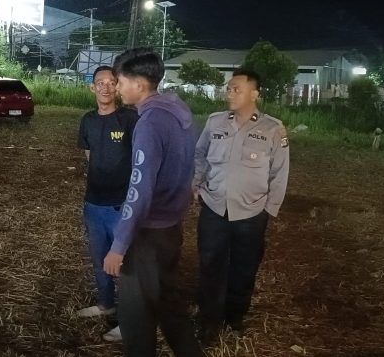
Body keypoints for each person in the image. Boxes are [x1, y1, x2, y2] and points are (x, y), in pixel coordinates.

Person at [102, 48, 203, 356]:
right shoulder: (178, 112)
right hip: (171, 227)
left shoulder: (149, 122)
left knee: (135, 316)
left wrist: (119, 245)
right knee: (168, 303)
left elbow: (140, 188)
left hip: (148, 234)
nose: (117, 89)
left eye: (120, 82)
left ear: (139, 84)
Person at [192, 68, 290, 345]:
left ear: (254, 94)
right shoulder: (215, 122)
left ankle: (234, 317)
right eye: (228, 88)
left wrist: (269, 209)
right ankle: (210, 320)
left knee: (244, 268)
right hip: (214, 207)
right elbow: (200, 154)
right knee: (210, 264)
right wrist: (196, 183)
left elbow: (280, 172)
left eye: (237, 89)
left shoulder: (272, 128)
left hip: (251, 212)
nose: (230, 93)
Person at [76, 65, 139, 342]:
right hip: (93, 204)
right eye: (99, 82)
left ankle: (128, 321)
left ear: (118, 87)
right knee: (100, 260)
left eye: (111, 82)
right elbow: (90, 156)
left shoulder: (129, 119)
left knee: (125, 266)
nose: (105, 87)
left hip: (121, 206)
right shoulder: (88, 120)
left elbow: (140, 158)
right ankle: (105, 304)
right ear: (92, 87)